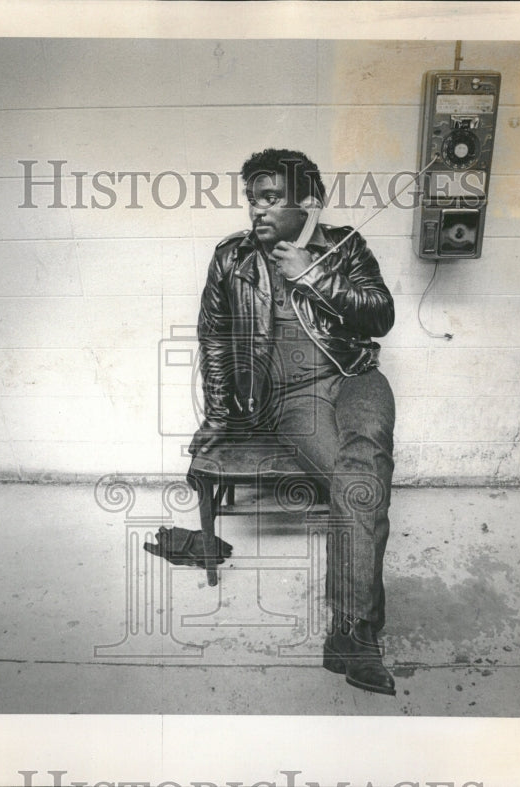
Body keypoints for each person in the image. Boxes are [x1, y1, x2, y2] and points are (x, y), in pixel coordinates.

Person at [187, 148, 397, 696]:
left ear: (308, 203)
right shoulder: (231, 258)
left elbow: (381, 315)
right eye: (252, 199)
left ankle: (350, 633)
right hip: (292, 397)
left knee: (366, 452)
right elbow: (213, 339)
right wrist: (215, 417)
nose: (257, 210)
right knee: (360, 486)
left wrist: (312, 275)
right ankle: (355, 633)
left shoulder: (344, 245)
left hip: (355, 376)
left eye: (271, 198)